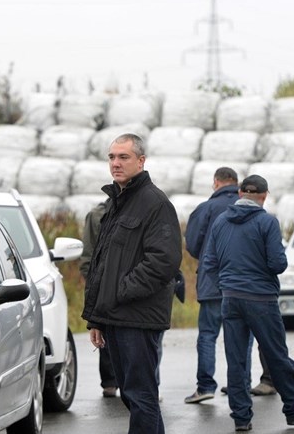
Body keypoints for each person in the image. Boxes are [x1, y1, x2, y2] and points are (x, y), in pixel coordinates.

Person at [202, 174, 294, 431]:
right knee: (277, 356)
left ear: (240, 193)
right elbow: (278, 264)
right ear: (264, 197)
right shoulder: (267, 222)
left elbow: (209, 263)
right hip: (261, 299)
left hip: (230, 299)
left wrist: (226, 284)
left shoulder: (221, 221)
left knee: (236, 361)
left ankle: (242, 419)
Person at [82, 133, 182, 434]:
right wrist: (97, 317)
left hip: (137, 317)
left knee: (141, 395)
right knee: (133, 394)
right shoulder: (117, 202)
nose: (115, 163)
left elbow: (163, 261)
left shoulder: (154, 203)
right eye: (112, 157)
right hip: (116, 315)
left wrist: (120, 293)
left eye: (123, 157)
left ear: (141, 161)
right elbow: (101, 264)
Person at [183, 167, 241, 403]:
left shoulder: (206, 208)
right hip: (241, 284)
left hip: (213, 282)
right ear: (236, 183)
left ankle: (206, 386)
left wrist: (208, 256)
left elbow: (193, 244)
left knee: (208, 335)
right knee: (240, 337)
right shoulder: (249, 207)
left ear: (216, 183)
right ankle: (241, 384)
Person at [79, 200, 118, 398]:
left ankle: (119, 380)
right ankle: (109, 381)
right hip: (102, 284)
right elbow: (88, 255)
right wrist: (94, 283)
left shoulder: (140, 209)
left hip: (125, 284)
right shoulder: (96, 215)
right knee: (104, 332)